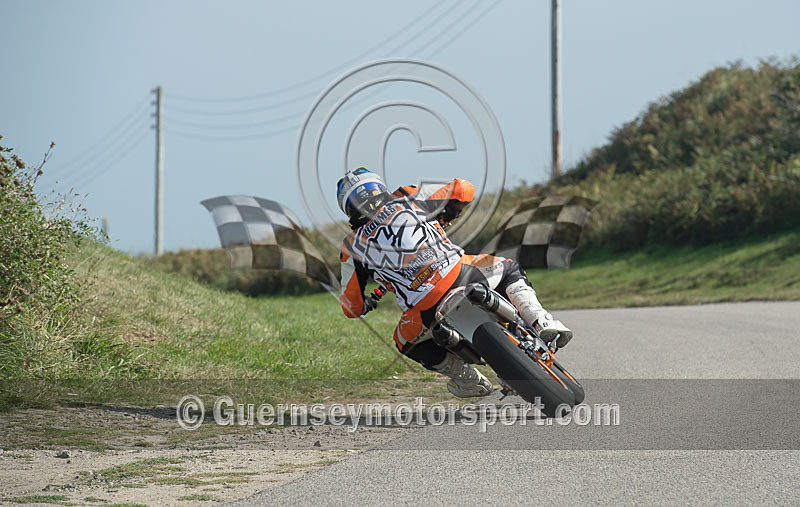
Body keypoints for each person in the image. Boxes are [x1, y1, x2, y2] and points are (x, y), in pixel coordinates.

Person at [336, 168, 573, 398]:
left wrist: (364, 304)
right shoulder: (407, 195)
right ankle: (540, 320)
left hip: (424, 309)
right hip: (462, 273)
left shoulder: (350, 247)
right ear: (379, 188)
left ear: (349, 209)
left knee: (403, 342)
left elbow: (350, 307)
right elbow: (463, 188)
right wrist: (449, 212)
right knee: (509, 267)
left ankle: (468, 379)